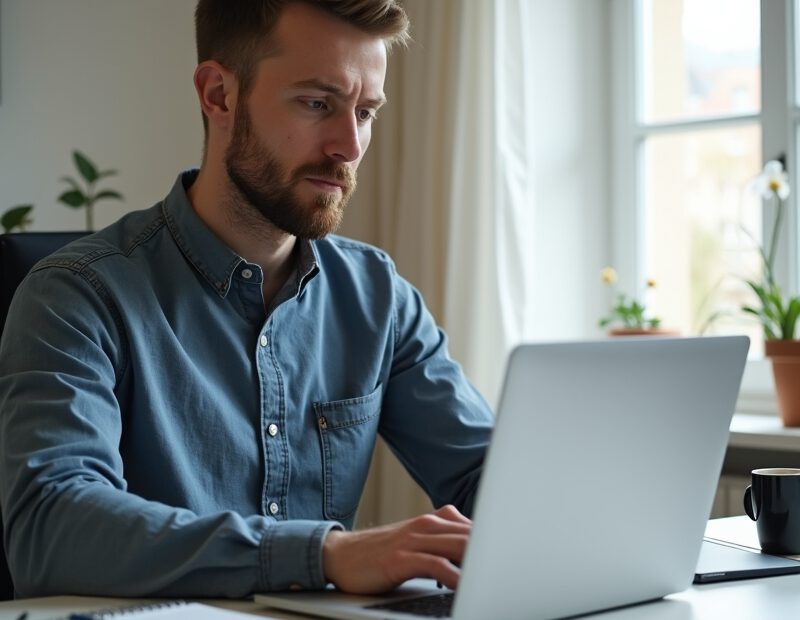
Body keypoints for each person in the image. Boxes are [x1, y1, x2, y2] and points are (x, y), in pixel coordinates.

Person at [0, 0, 494, 599]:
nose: (349, 145)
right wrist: (323, 554)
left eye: (365, 112)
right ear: (219, 95)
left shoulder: (377, 297)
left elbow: (490, 480)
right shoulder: (77, 296)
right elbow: (52, 528)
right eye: (317, 103)